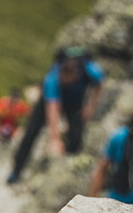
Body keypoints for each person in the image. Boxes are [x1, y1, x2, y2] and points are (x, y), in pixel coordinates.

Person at [7, 47, 104, 182]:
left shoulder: (90, 70)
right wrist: (55, 138)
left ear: (75, 74)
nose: (63, 81)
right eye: (61, 79)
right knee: (31, 132)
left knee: (76, 136)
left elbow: (99, 85)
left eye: (66, 80)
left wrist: (90, 107)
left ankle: (66, 170)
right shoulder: (52, 80)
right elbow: (53, 109)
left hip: (74, 101)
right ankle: (16, 171)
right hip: (47, 102)